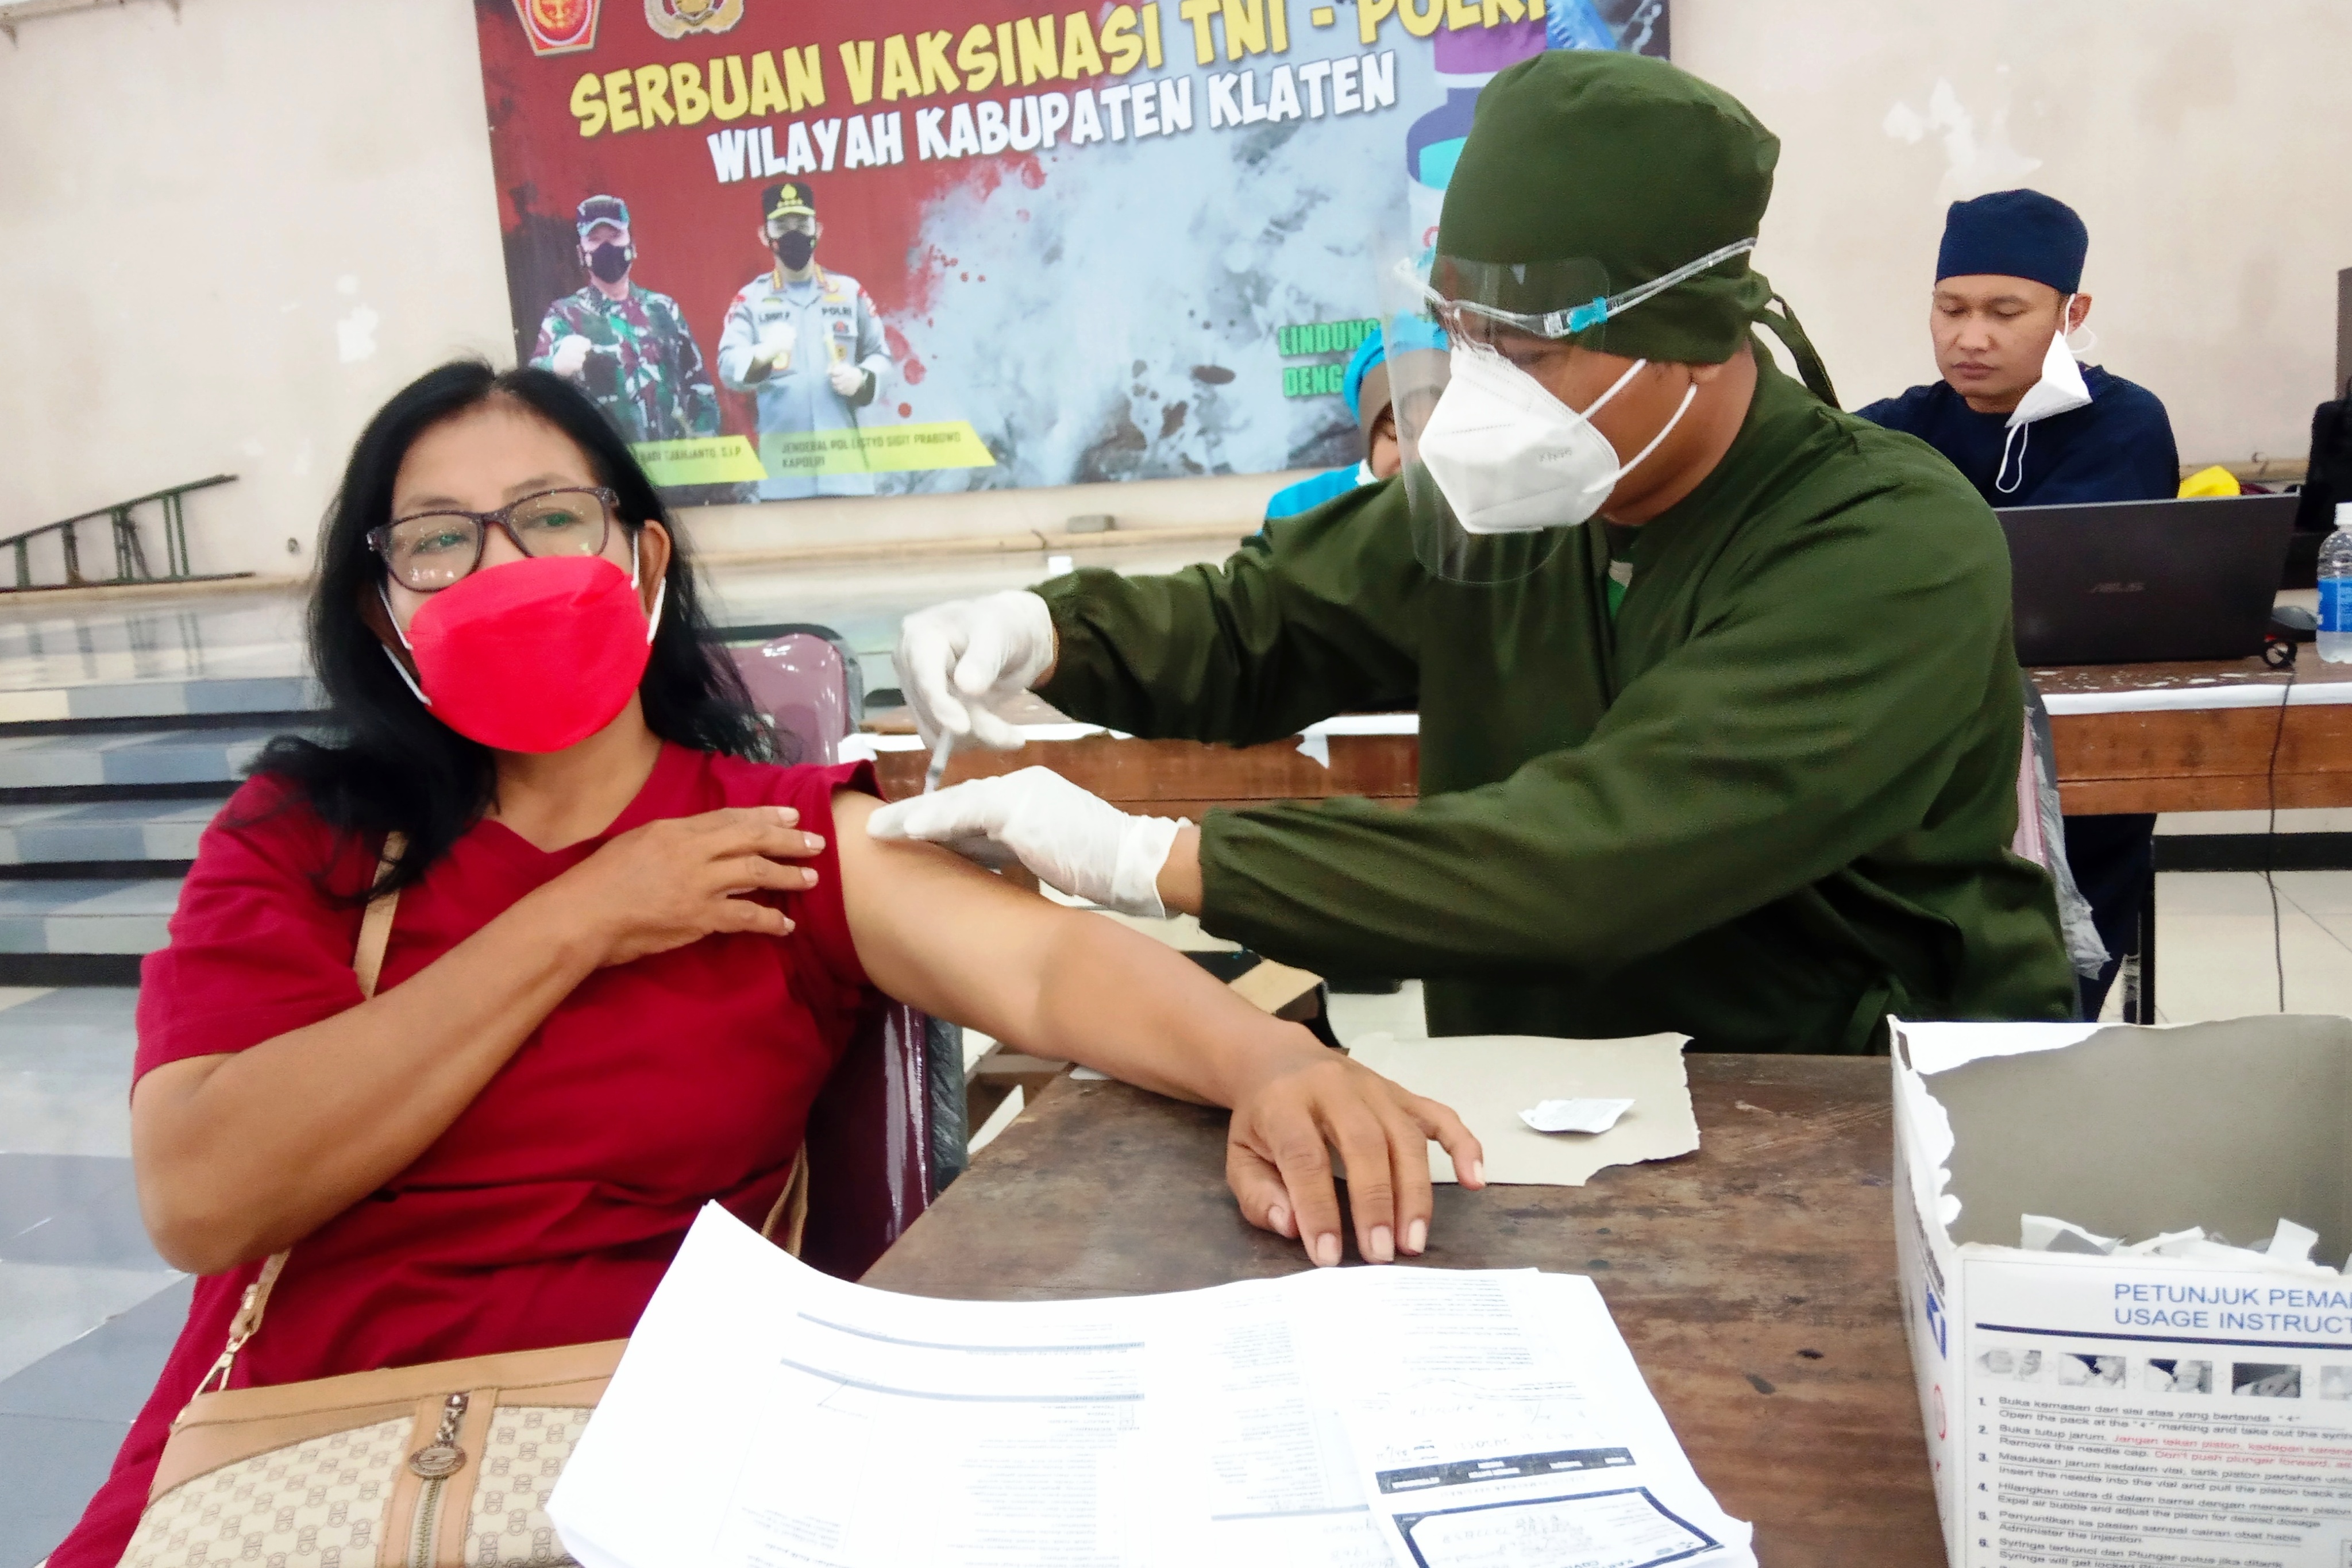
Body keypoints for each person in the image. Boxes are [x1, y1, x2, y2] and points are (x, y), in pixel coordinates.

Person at [47, 363, 1479, 1566]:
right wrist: (582, 916)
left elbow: (1043, 975)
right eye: (438, 541)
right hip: (291, 1473)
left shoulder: (767, 842)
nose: (503, 568)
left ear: (643, 559)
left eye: (552, 519)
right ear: (384, 607)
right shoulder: (309, 841)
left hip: (629, 1477)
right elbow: (201, 1189)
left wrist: (1271, 1063)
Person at [876, 51, 2078, 1055]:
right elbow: (1264, 625)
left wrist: (1154, 859)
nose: (1484, 395)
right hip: (1547, 1104)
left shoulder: (1885, 546)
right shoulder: (1509, 500)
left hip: (1851, 1117)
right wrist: (1046, 632)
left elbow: (1590, 860)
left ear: (1696, 341)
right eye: (1464, 336)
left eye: (1532, 350)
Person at [1857, 189, 2181, 1020]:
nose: (1970, 337)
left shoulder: (2122, 423)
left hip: (2072, 759)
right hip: (1924, 747)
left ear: (2071, 311)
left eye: (2005, 311)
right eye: (1950, 308)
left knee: (2032, 1001)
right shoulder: (1901, 426)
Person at [717, 180, 894, 501]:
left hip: (847, 474)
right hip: (784, 477)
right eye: (781, 226)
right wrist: (762, 354)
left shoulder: (849, 292)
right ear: (764, 235)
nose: (793, 234)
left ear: (819, 229)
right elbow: (728, 367)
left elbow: (881, 356)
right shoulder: (750, 300)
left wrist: (863, 379)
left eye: (802, 224)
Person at [530, 195, 721, 446]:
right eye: (595, 240)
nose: (606, 247)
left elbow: (699, 386)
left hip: (675, 467)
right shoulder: (565, 315)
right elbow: (530, 390)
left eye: (615, 237)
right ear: (581, 252)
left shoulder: (663, 309)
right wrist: (554, 367)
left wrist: (706, 444)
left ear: (632, 243)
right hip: (610, 469)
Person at [1262, 320, 1449, 522]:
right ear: (1369, 430)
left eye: (1439, 436)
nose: (1418, 459)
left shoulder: (1482, 515)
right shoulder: (1300, 509)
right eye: (1398, 435)